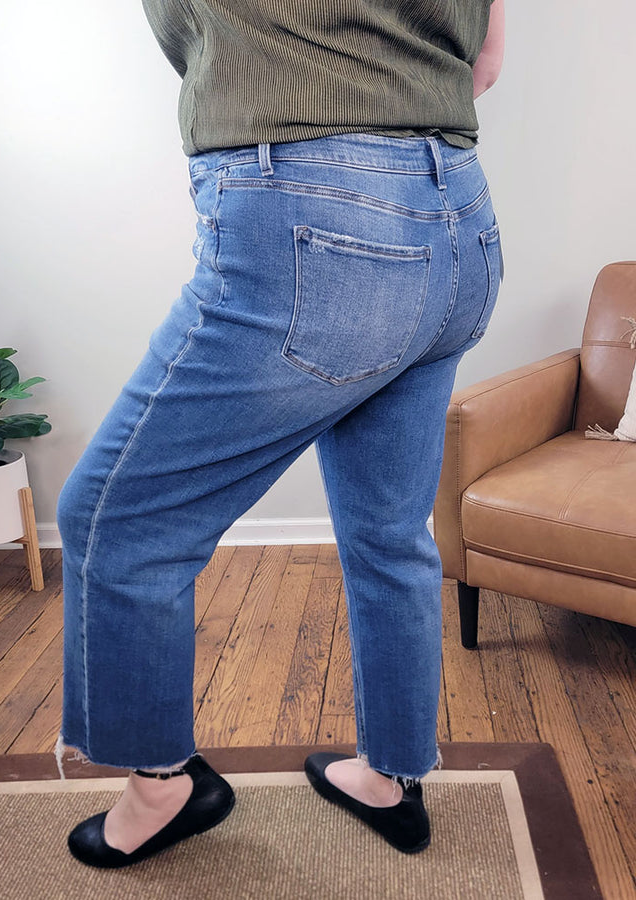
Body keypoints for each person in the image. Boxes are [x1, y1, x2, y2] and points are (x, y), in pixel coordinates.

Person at [56, 0, 506, 868]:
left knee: (116, 523)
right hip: (461, 218)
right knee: (391, 535)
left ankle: (163, 790)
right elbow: (483, 63)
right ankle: (391, 777)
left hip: (318, 216)